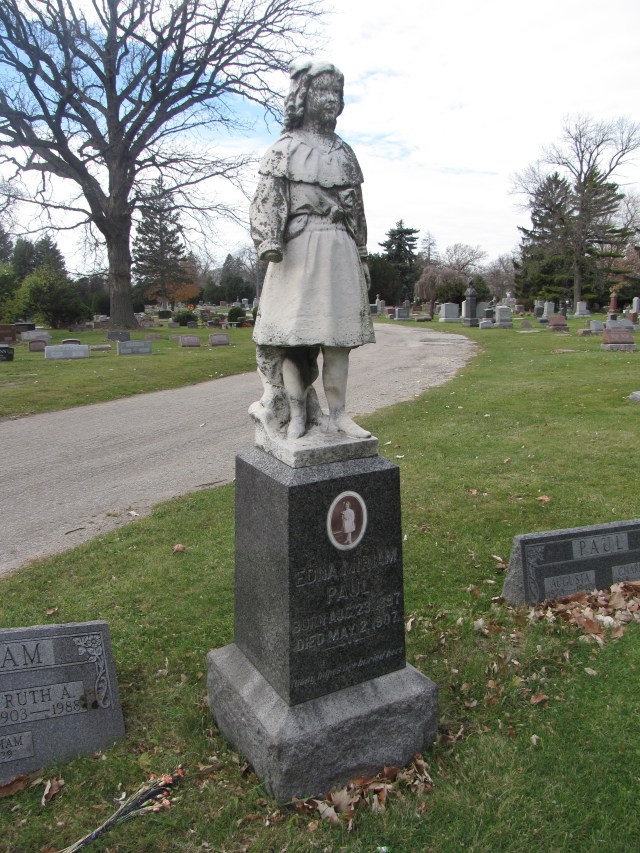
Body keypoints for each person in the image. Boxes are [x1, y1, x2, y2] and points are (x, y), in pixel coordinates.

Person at [249, 59, 375, 441]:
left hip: (339, 250)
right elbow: (267, 201)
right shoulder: (285, 149)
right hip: (299, 253)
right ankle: (298, 413)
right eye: (323, 91)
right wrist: (269, 240)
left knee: (338, 342)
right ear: (303, 97)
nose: (331, 100)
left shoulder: (344, 152)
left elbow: (357, 210)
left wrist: (364, 252)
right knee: (293, 339)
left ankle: (339, 414)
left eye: (337, 93)